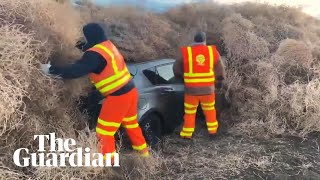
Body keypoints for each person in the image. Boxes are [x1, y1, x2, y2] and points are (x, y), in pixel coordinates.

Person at [40, 23, 150, 159]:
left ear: (90, 36)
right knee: (132, 125)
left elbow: (75, 71)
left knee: (104, 132)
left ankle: (108, 165)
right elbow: (94, 52)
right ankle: (144, 156)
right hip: (131, 92)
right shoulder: (108, 45)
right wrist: (80, 46)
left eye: (86, 38)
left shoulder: (94, 55)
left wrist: (51, 70)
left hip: (118, 97)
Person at [173, 32, 226, 139]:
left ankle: (187, 135)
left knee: (189, 113)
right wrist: (219, 82)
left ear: (194, 40)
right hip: (208, 91)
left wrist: (182, 77)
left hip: (191, 91)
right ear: (204, 40)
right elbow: (220, 69)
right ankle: (213, 133)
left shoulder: (186, 52)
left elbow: (176, 68)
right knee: (210, 111)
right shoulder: (212, 51)